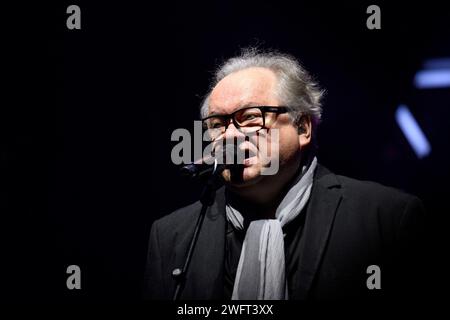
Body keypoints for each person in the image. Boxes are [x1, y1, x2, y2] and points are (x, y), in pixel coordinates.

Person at [144, 48, 426, 300]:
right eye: (217, 124)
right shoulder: (170, 236)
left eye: (251, 117)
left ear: (303, 127)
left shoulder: (387, 218)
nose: (229, 135)